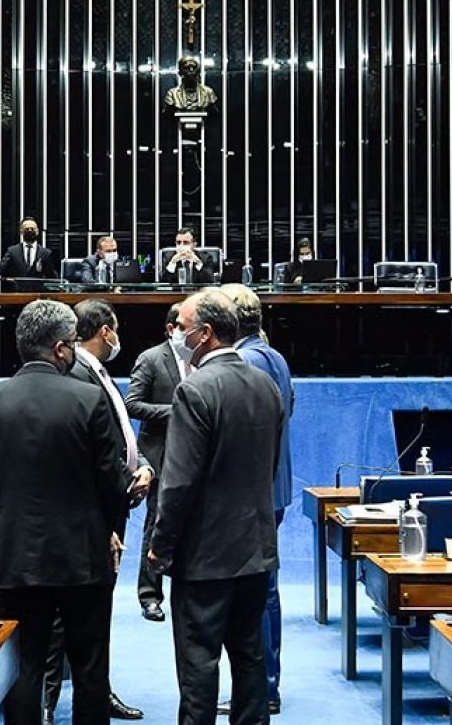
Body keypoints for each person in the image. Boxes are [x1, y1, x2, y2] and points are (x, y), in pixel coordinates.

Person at [0, 299, 130, 725]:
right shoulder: (88, 399)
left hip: (15, 557)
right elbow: (112, 482)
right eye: (72, 342)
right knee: (90, 668)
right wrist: (109, 532)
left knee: (25, 666)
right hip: (83, 557)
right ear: (59, 348)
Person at [149, 290, 283, 725]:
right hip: (255, 550)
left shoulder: (194, 390)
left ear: (205, 333)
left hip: (205, 556)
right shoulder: (266, 386)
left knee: (199, 665)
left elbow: (179, 482)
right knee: (250, 658)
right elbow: (268, 467)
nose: (177, 333)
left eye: (183, 326)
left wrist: (161, 545)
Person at [43, 299, 154, 723]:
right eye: (116, 328)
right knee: (68, 616)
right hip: (90, 514)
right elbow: (87, 452)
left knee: (96, 611)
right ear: (105, 331)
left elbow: (118, 438)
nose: (118, 335)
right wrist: (122, 486)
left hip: (109, 505)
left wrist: (140, 466)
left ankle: (97, 690)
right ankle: (48, 702)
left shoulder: (98, 372)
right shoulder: (76, 374)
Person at [218, 284, 294, 716]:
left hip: (252, 492)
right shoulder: (276, 356)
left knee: (253, 595)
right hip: (274, 486)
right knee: (267, 590)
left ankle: (261, 688)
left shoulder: (244, 363)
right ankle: (268, 683)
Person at [123, 303, 186, 622]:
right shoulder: (150, 359)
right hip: (161, 454)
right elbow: (132, 404)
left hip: (193, 455)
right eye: (185, 327)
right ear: (171, 328)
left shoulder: (202, 359)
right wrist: (176, 411)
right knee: (156, 524)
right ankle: (149, 595)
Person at [0, 217, 59, 281]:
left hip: (38, 290)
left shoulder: (46, 253)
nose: (30, 231)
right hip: (18, 290)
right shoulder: (13, 251)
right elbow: (0, 268)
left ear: (37, 231)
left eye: (32, 229)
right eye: (26, 229)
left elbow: (52, 275)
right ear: (21, 231)